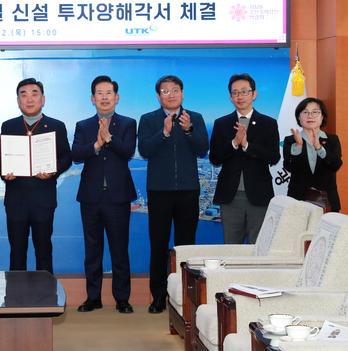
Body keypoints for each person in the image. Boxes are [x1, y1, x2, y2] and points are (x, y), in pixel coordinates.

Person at [138, 75, 209, 314]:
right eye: (165, 91)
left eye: (175, 89)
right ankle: (158, 297)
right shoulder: (148, 119)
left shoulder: (195, 118)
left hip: (188, 190)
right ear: (159, 96)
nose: (171, 94)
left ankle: (185, 298)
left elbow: (203, 149)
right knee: (158, 244)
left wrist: (189, 130)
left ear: (182, 93)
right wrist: (164, 133)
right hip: (159, 191)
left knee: (186, 246)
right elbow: (144, 150)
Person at [72, 76, 137, 314]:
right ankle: (93, 297)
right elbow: (76, 154)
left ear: (116, 97)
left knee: (120, 250)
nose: (104, 97)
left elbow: (128, 151)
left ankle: (122, 298)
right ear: (93, 98)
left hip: (118, 197)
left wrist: (109, 138)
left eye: (109, 93)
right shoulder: (83, 125)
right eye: (99, 93)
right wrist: (96, 146)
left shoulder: (128, 123)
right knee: (92, 250)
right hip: (91, 197)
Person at [0, 78, 72, 274]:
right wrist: (5, 173)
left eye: (34, 94)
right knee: (17, 253)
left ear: (43, 99)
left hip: (43, 199)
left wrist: (53, 170)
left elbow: (66, 157)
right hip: (16, 200)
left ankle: (46, 293)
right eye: (24, 95)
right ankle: (15, 293)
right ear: (18, 101)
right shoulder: (9, 126)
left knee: (44, 252)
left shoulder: (56, 126)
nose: (29, 99)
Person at [209, 74, 280, 244]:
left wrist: (247, 145)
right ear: (230, 97)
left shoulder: (268, 123)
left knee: (258, 245)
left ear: (254, 94)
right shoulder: (221, 123)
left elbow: (273, 157)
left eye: (244, 92)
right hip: (230, 195)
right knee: (231, 246)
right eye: (235, 93)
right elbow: (215, 158)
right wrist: (234, 143)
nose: (240, 96)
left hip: (259, 194)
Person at [283, 98, 342, 212]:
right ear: (299, 117)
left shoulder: (332, 140)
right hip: (298, 198)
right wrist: (298, 146)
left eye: (315, 112)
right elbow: (289, 167)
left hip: (327, 199)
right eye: (305, 112)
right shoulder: (291, 140)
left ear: (322, 117)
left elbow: (336, 165)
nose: (310, 116)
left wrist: (319, 149)